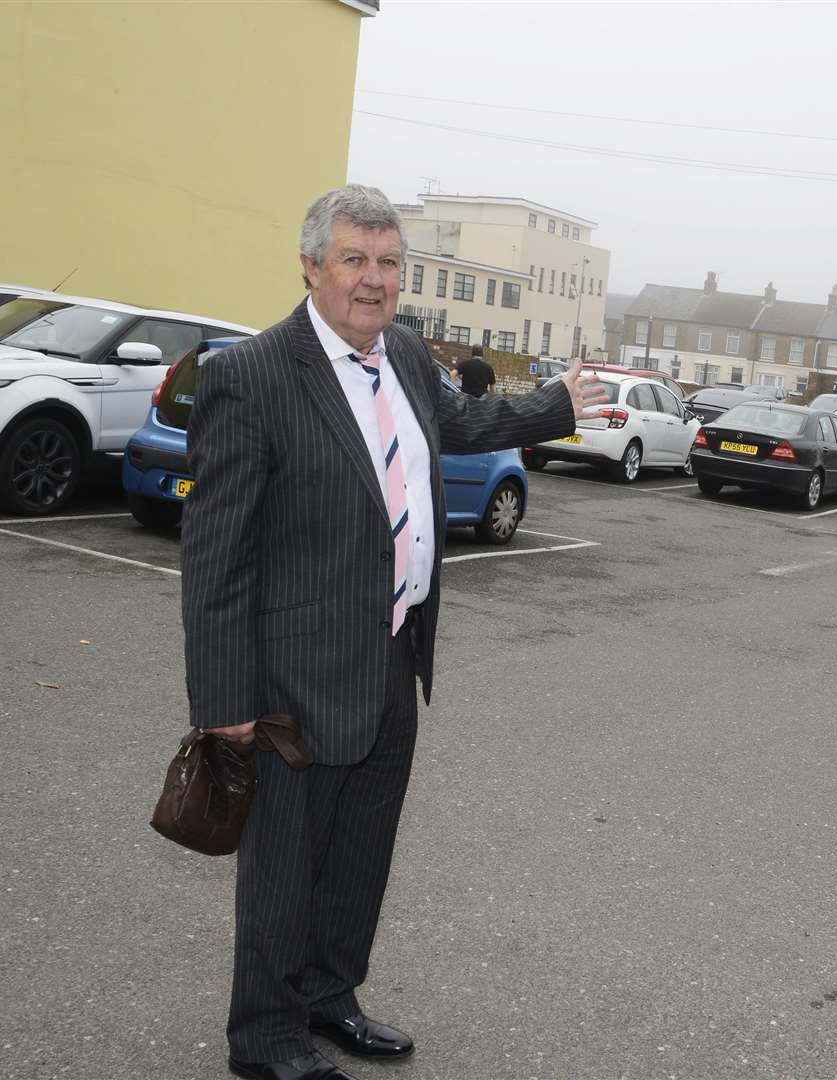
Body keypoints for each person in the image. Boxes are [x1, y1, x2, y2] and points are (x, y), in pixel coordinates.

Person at [181, 184, 607, 1080]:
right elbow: (215, 556)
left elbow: (463, 423)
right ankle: (264, 1038)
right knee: (284, 869)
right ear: (311, 266)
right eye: (353, 260)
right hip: (291, 675)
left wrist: (557, 401)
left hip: (390, 654)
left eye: (387, 263)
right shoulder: (251, 376)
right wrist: (225, 707)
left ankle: (330, 1000)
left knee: (360, 853)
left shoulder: (406, 355)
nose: (373, 282)